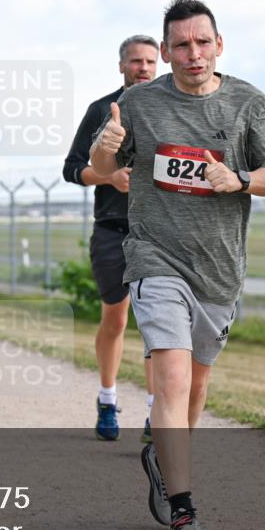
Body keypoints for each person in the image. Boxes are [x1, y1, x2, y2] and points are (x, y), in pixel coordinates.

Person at [90, 0, 265, 530]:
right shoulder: (140, 103)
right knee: (171, 381)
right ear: (166, 50)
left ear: (218, 44)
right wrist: (106, 155)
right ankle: (184, 515)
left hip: (219, 271)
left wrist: (240, 179)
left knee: (196, 389)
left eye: (202, 42)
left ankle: (161, 454)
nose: (192, 53)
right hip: (155, 258)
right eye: (180, 44)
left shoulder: (250, 102)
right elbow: (105, 169)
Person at [64, 34, 160, 442]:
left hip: (158, 233)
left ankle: (159, 415)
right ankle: (107, 398)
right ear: (122, 66)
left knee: (161, 327)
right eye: (136, 61)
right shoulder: (102, 109)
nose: (144, 68)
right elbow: (72, 168)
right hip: (112, 229)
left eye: (151, 62)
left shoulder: (173, 109)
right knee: (116, 318)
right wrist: (107, 177)